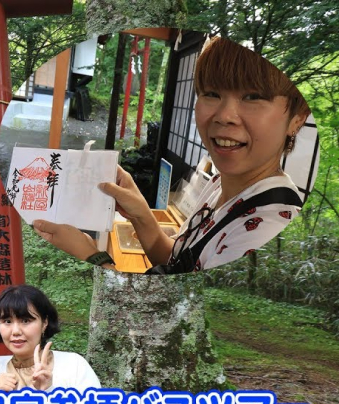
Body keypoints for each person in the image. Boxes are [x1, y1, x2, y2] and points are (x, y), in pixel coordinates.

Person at [34, 36, 311, 273]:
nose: (225, 116)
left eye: (252, 97)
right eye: (211, 93)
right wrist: (141, 213)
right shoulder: (219, 184)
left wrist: (92, 256)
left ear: (298, 117)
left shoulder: (268, 227)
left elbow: (171, 321)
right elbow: (176, 263)